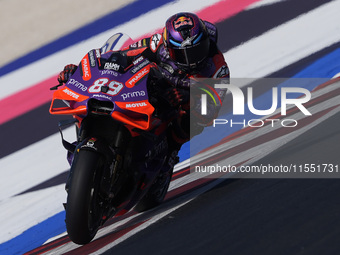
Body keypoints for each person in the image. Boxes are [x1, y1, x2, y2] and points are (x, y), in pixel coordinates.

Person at [58, 12, 230, 183]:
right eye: (182, 54)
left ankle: (169, 155)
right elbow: (118, 55)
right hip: (150, 88)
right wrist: (80, 71)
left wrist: (187, 98)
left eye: (196, 51)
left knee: (190, 122)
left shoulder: (217, 68)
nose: (190, 61)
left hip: (184, 103)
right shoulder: (157, 44)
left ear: (207, 42)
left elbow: (209, 111)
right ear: (168, 46)